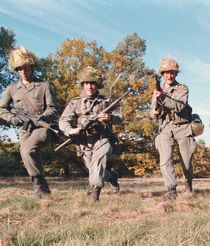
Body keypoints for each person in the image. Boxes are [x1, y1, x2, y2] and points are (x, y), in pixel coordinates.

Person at [0, 47, 57, 198]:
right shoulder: (12, 89)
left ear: (31, 67)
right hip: (24, 128)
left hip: (41, 127)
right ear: (16, 71)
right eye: (19, 69)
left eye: (26, 68)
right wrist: (12, 119)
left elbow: (52, 109)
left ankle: (37, 186)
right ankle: (43, 185)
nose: (23, 71)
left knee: (28, 150)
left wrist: (43, 117)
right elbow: (2, 109)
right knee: (26, 155)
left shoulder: (44, 86)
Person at [59, 66, 121, 202]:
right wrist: (70, 130)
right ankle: (112, 177)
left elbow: (120, 118)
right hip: (83, 142)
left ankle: (95, 196)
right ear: (83, 84)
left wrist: (109, 117)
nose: (89, 86)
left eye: (92, 83)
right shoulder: (75, 102)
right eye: (86, 83)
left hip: (102, 139)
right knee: (94, 169)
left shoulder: (107, 101)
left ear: (97, 85)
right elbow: (63, 120)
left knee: (97, 165)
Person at [150, 58, 197, 199]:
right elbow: (152, 111)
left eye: (172, 73)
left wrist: (163, 97)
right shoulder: (157, 91)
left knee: (187, 162)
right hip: (165, 128)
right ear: (162, 74)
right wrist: (154, 112)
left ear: (176, 74)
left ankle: (188, 182)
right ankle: (172, 190)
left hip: (183, 127)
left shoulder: (182, 88)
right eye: (166, 73)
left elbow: (180, 106)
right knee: (165, 160)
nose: (169, 76)